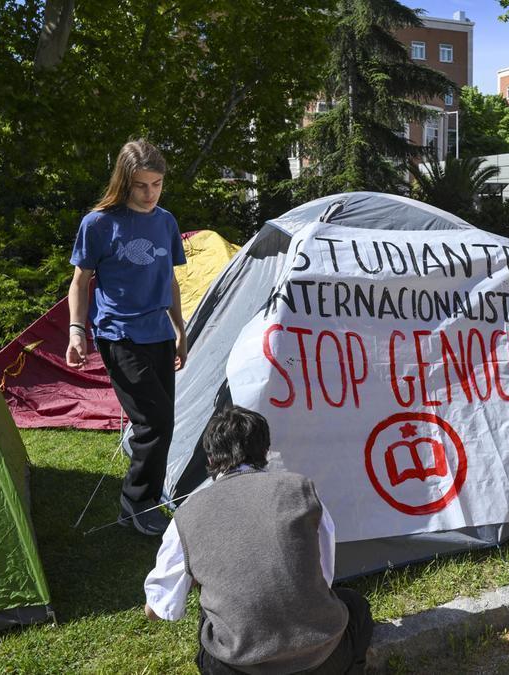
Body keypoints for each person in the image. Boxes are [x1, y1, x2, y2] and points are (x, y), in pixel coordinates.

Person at [144, 406, 374, 674]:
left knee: (210, 612)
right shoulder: (300, 489)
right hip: (323, 659)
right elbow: (324, 574)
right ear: (265, 451)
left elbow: (159, 608)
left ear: (210, 457)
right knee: (355, 605)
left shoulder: (187, 514)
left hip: (238, 666)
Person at [66, 139, 188, 536]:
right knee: (153, 421)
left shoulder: (166, 222)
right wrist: (76, 330)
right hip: (118, 333)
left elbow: (169, 280)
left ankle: (146, 498)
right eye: (141, 185)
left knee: (163, 422)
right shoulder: (98, 224)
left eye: (157, 184)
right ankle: (135, 501)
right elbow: (80, 281)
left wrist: (181, 329)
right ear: (124, 182)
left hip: (159, 333)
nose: (150, 193)